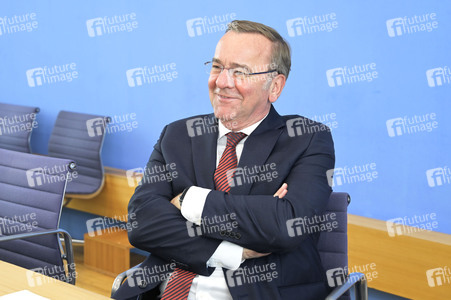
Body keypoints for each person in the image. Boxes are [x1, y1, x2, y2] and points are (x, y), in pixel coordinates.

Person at [115, 20, 335, 300]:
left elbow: (286, 225)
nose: (221, 82)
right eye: (217, 66)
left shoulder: (306, 138)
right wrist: (236, 248)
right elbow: (141, 222)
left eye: (240, 71)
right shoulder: (178, 135)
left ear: (275, 86)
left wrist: (188, 200)